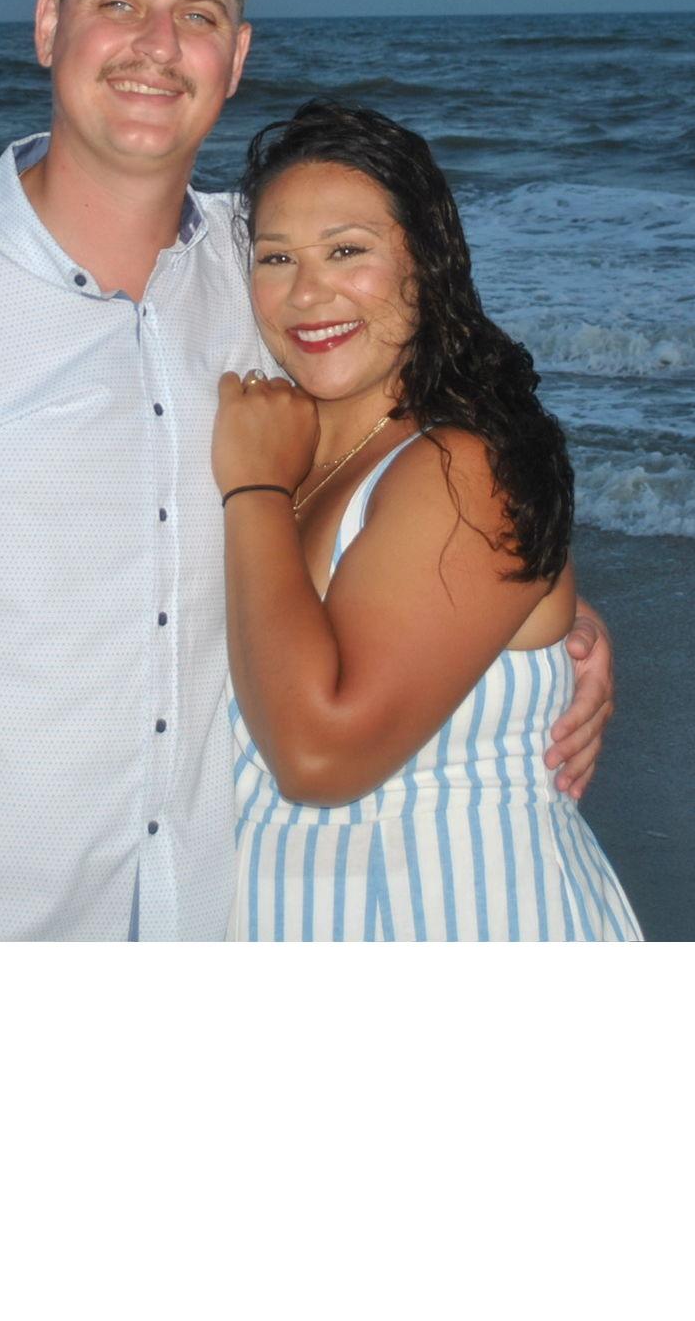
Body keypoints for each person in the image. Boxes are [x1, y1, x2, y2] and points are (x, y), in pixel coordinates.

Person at [0, 0, 615, 940]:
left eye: (197, 15)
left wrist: (544, 618)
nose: (156, 43)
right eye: (118, 3)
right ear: (48, 25)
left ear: (236, 57)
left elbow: (426, 447)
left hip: (204, 920)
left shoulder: (266, 276)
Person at [211, 100, 642, 940]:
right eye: (276, 257)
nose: (307, 292)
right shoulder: (277, 441)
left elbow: (320, 759)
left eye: (347, 251)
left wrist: (254, 490)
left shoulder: (461, 467)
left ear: (427, 262)